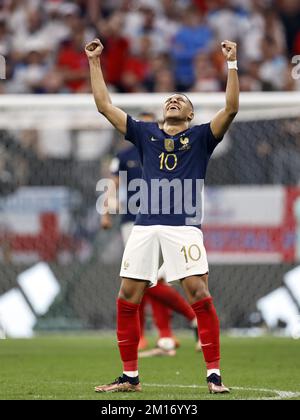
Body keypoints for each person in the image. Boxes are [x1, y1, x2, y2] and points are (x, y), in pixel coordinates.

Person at [85, 37, 239, 394]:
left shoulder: (202, 137)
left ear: (190, 115)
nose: (173, 100)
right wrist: (94, 62)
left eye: (181, 100)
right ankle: (130, 378)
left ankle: (214, 374)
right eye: (169, 98)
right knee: (127, 297)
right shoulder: (144, 133)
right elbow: (104, 105)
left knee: (198, 292)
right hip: (143, 227)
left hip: (183, 229)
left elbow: (230, 108)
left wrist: (232, 64)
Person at [101, 111, 200, 356]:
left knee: (153, 280)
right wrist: (105, 210)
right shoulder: (124, 155)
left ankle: (178, 325)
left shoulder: (169, 151)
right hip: (133, 221)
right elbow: (112, 182)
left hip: (166, 220)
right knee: (142, 277)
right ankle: (155, 334)